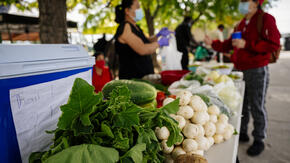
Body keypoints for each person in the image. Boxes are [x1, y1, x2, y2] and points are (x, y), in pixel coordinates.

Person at [205, 0, 280, 156]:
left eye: (245, 1)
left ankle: (259, 139)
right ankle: (243, 132)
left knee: (257, 105)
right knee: (242, 104)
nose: (242, 4)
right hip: (239, 71)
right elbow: (228, 44)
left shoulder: (265, 19)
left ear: (256, 3)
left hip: (257, 70)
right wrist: (213, 43)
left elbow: (274, 44)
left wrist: (247, 44)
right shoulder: (241, 24)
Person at [114, 0, 172, 79]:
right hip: (132, 80)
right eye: (137, 7)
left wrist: (158, 35)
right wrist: (159, 43)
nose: (140, 10)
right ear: (127, 11)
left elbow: (146, 41)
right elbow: (142, 49)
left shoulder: (136, 27)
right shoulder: (125, 28)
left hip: (144, 77)